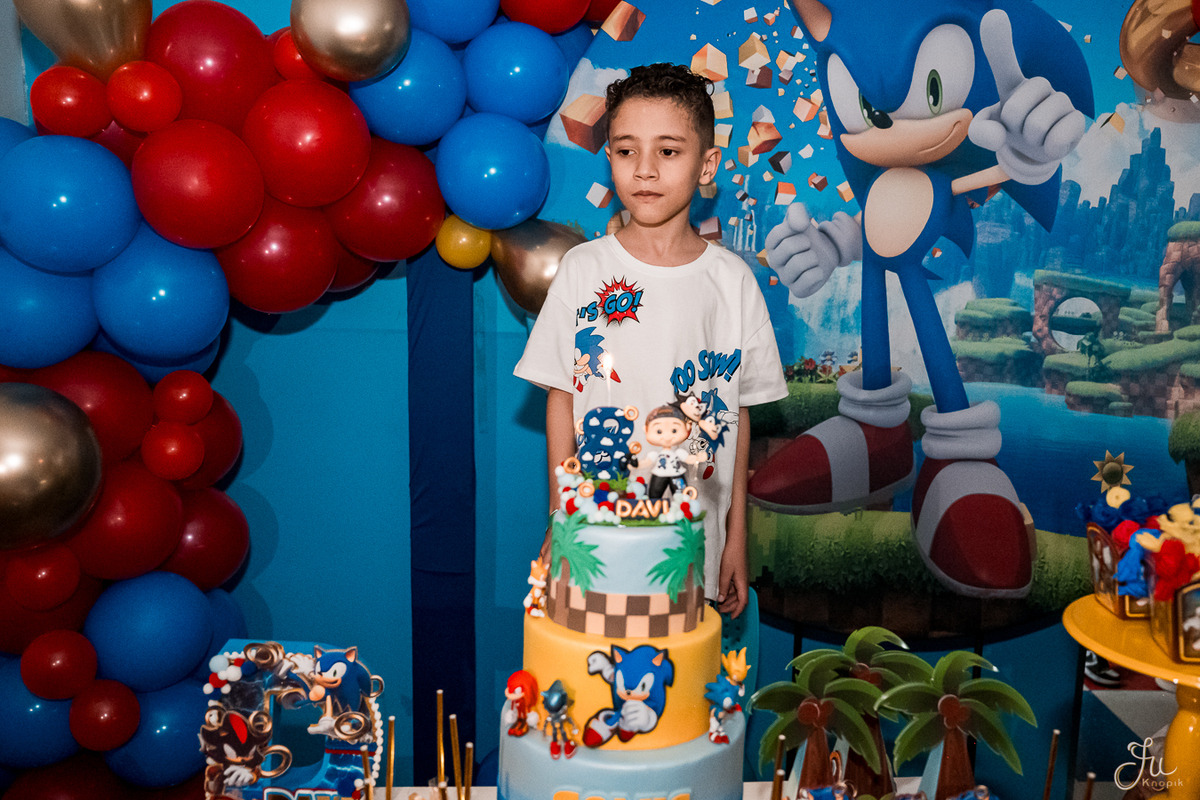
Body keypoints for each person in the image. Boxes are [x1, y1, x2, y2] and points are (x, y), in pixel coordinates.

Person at [514, 63, 787, 618]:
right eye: (625, 150)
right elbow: (561, 397)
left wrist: (735, 537)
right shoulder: (583, 269)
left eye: (667, 151)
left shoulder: (732, 282)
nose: (644, 169)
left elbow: (737, 416)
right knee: (594, 669)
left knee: (681, 671)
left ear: (706, 164)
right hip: (594, 535)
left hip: (691, 545)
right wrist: (561, 517)